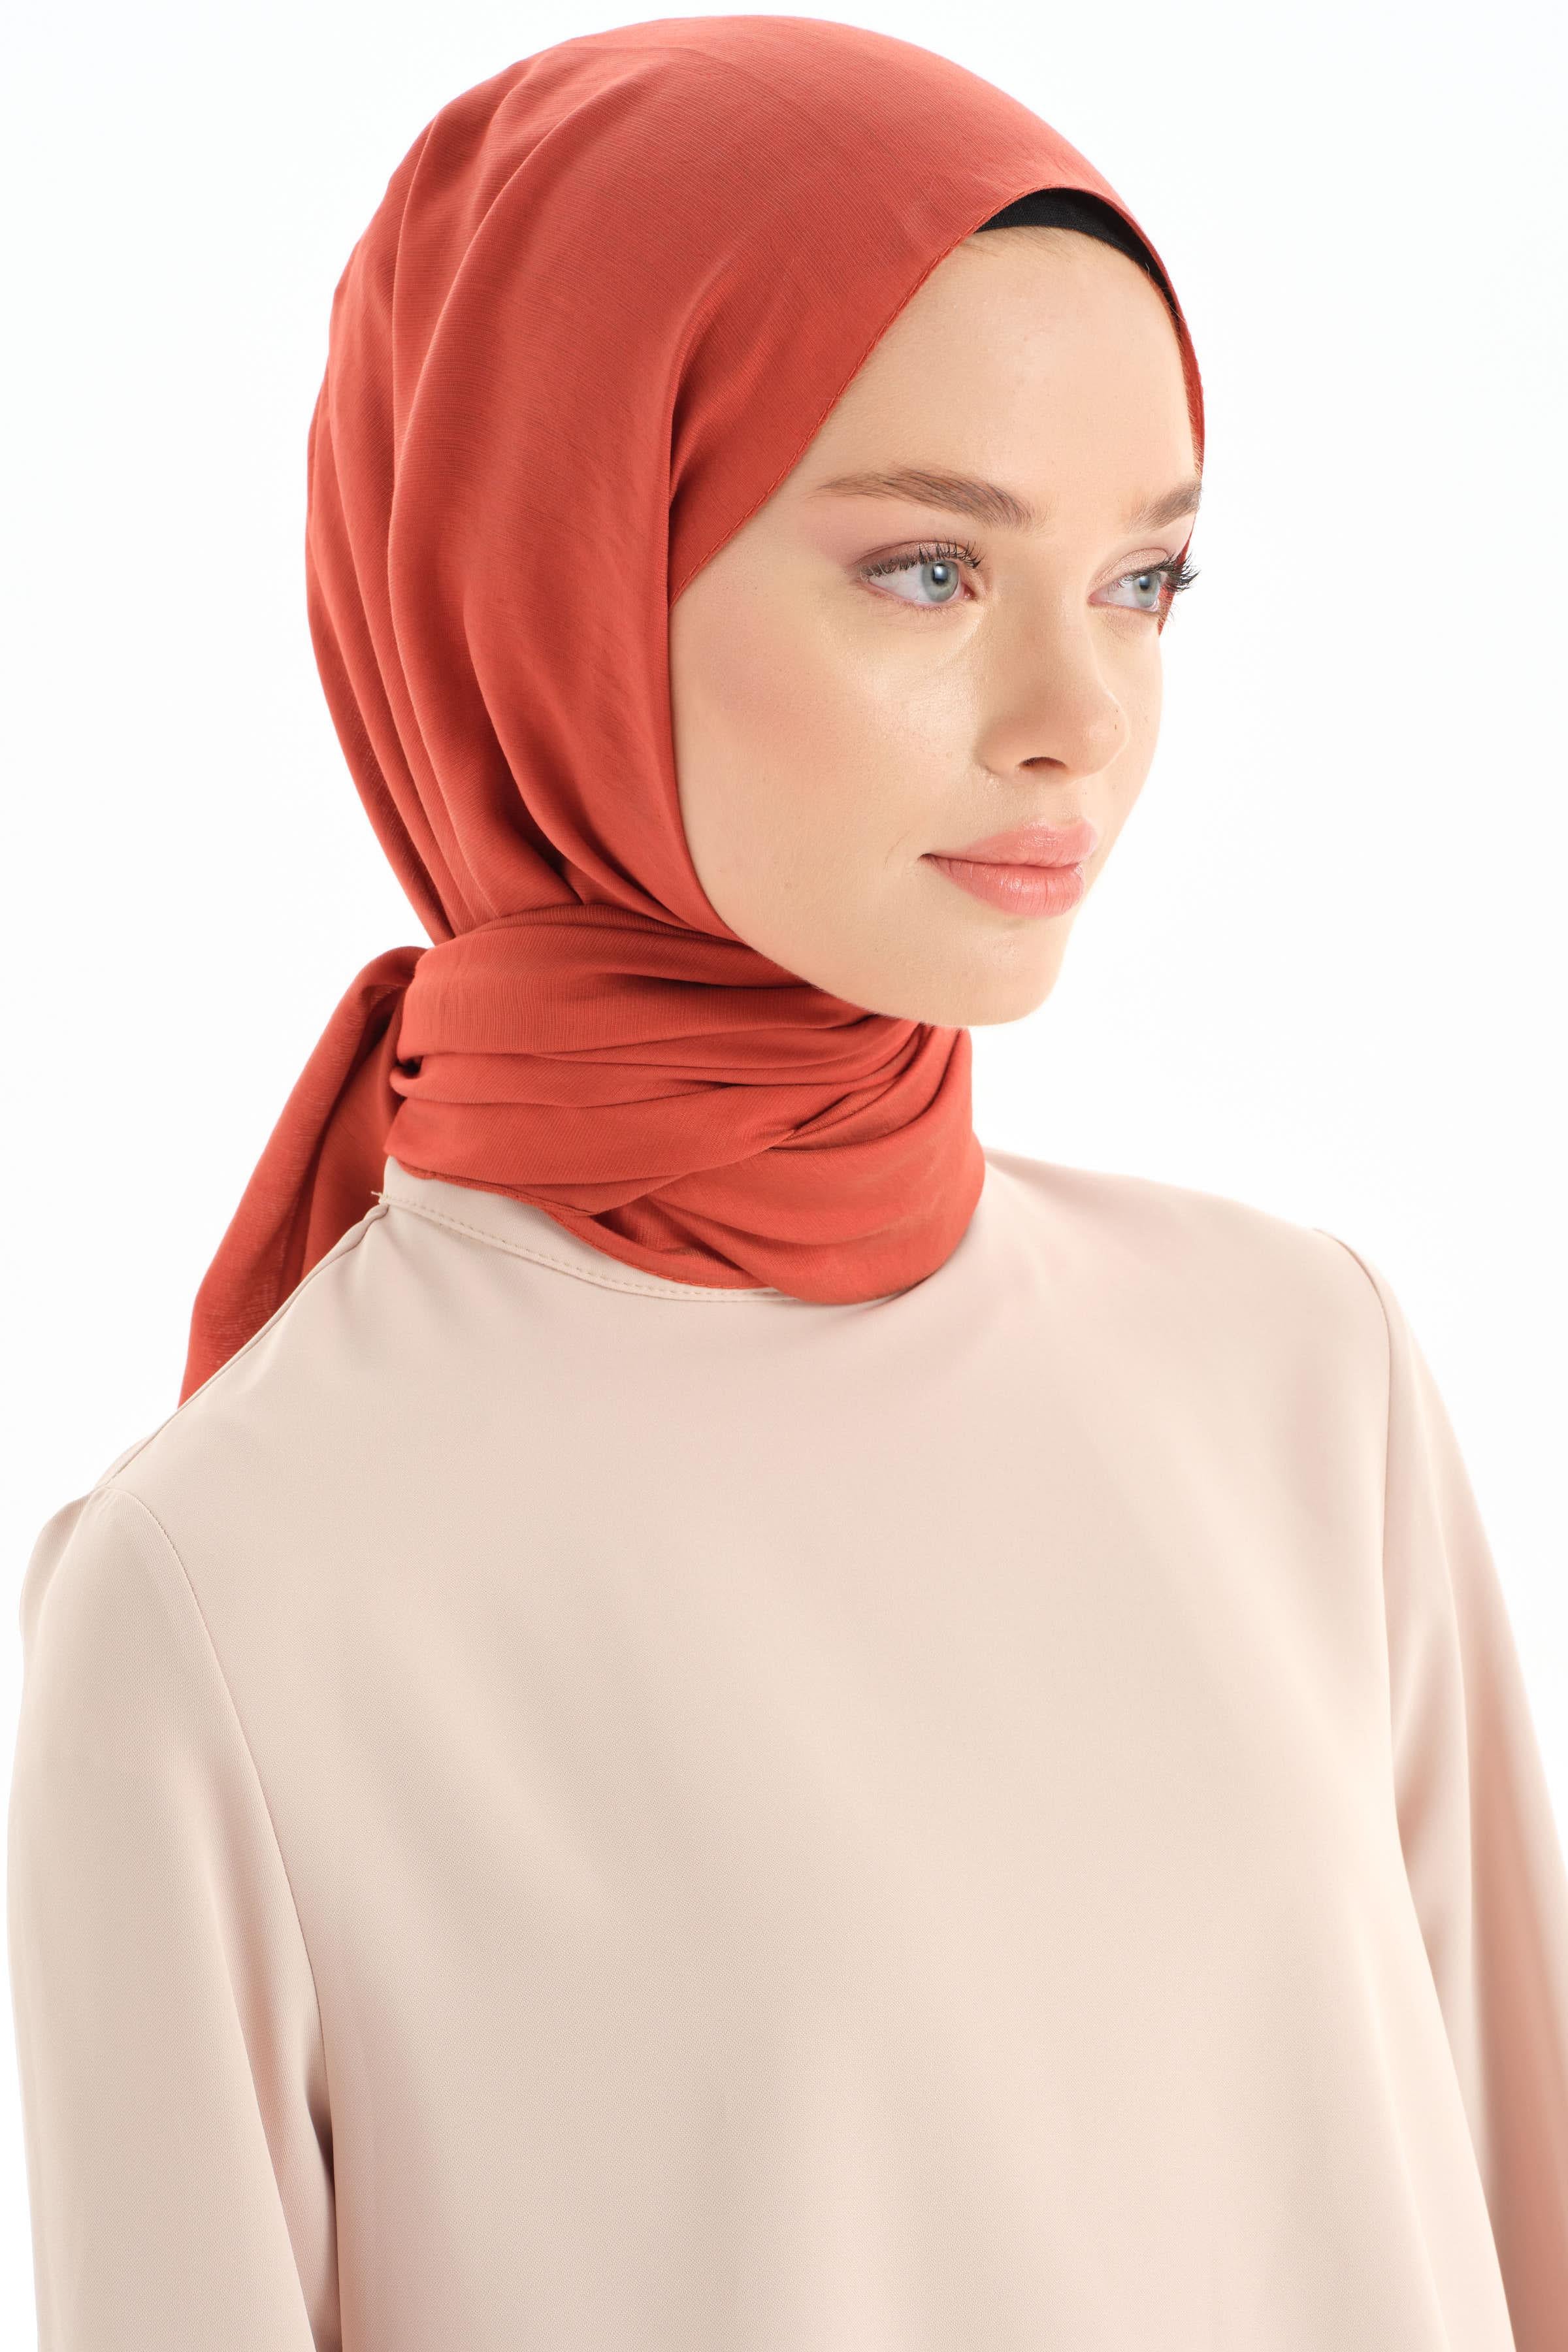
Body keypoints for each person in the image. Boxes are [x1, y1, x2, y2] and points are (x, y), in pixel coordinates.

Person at [7, 16, 1567, 2348]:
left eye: (1148, 582)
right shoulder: (229, 1598)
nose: (1078, 718)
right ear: (548, 578)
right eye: (930, 569)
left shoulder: (1298, 1376)